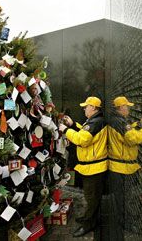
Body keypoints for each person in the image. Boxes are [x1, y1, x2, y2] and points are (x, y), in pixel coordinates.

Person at [58, 96, 107, 237]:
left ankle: (88, 225)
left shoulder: (96, 122)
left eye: (86, 106)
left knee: (92, 199)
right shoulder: (95, 121)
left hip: (95, 168)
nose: (84, 108)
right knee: (91, 196)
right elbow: (84, 132)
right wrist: (73, 125)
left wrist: (66, 130)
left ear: (93, 108)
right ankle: (89, 219)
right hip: (91, 167)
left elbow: (82, 139)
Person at [107, 96, 142, 238]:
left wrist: (140, 123)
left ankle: (125, 220)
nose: (128, 108)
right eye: (126, 106)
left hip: (119, 166)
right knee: (123, 198)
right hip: (121, 168)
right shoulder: (119, 121)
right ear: (120, 108)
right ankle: (125, 223)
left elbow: (127, 133)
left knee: (122, 197)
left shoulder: (116, 120)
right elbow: (133, 138)